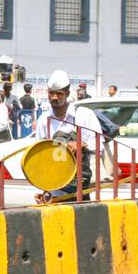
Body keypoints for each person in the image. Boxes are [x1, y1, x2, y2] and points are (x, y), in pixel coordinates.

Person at [35, 69, 105, 199]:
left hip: (81, 186)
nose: (55, 98)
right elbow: (40, 156)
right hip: (55, 189)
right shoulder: (43, 120)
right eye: (51, 93)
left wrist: (81, 144)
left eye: (59, 94)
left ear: (67, 93)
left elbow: (99, 145)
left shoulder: (84, 115)